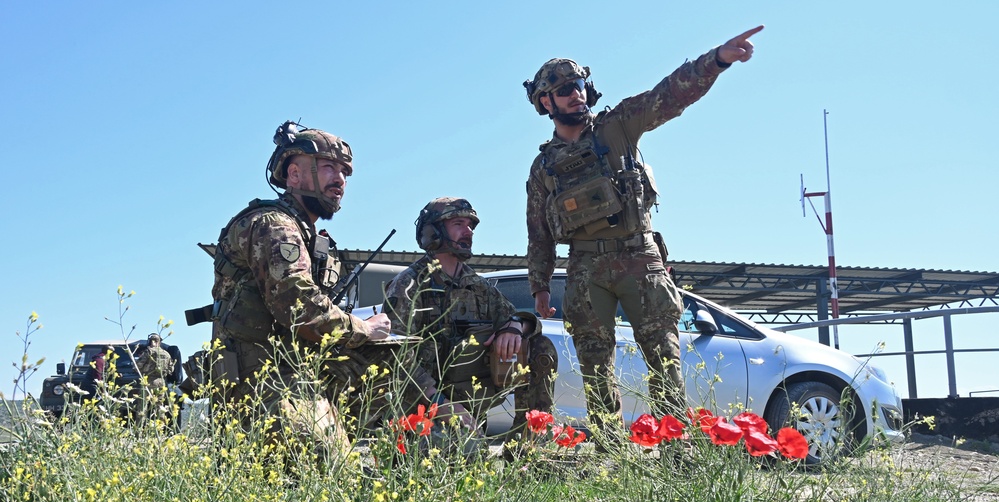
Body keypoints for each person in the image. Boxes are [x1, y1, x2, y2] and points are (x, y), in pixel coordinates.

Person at [523, 27, 763, 440]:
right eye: (564, 89)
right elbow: (538, 232)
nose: (575, 94)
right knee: (595, 366)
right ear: (546, 101)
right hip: (585, 267)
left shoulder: (617, 127)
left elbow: (668, 96)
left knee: (664, 358)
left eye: (579, 85)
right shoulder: (543, 168)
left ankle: (674, 450)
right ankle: (609, 450)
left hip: (640, 257)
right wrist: (540, 285)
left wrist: (717, 60)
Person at [206, 121, 469, 466]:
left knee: (395, 363)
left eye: (344, 172)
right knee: (329, 476)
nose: (340, 180)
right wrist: (363, 328)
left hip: (301, 371)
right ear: (294, 174)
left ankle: (420, 461)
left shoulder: (313, 239)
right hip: (262, 380)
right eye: (329, 167)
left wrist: (433, 397)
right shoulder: (275, 226)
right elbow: (299, 307)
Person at [384, 197, 557, 442]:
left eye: (470, 226)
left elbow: (523, 320)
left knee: (541, 348)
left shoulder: (477, 286)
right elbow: (395, 357)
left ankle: (526, 447)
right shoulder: (409, 285)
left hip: (467, 402)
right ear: (433, 232)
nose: (468, 232)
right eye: (458, 224)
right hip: (423, 408)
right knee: (464, 458)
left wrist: (515, 327)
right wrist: (439, 403)